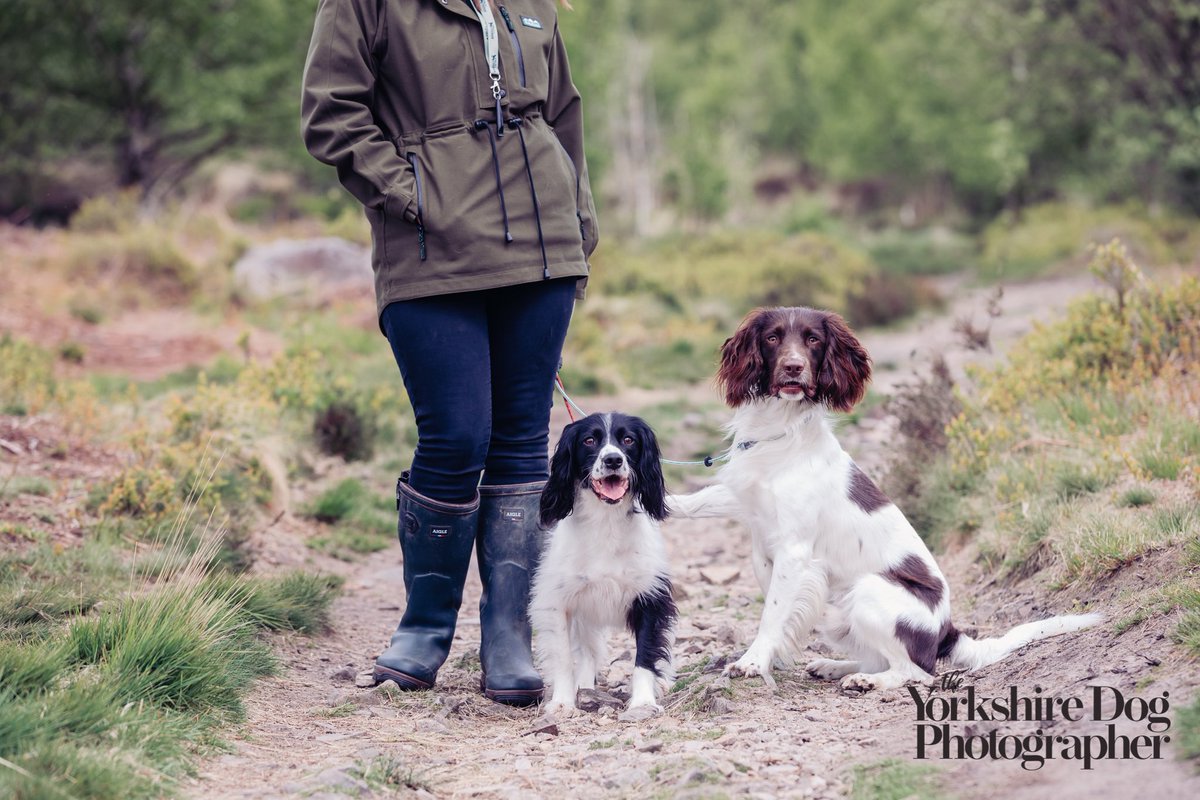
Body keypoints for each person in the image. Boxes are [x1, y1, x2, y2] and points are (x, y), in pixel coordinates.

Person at [301, 0, 597, 707]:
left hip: (542, 248)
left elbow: (562, 115)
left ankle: (509, 637)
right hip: (429, 251)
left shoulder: (531, 4)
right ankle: (424, 626)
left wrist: (578, 217)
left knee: (524, 439)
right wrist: (412, 194)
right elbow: (329, 114)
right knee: (457, 435)